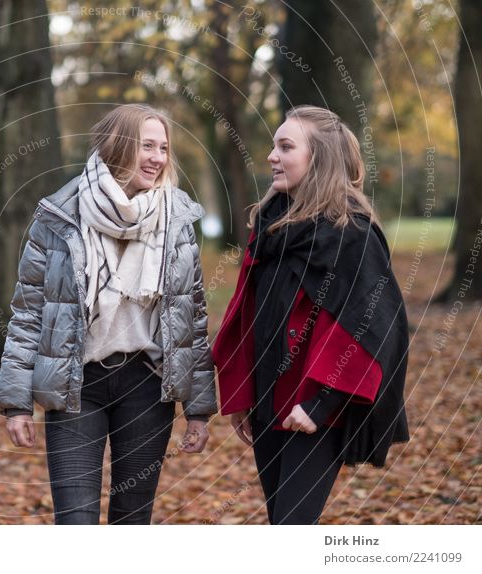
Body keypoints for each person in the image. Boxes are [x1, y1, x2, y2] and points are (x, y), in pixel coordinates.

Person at [0, 103, 216, 525]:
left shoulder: (177, 220)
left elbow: (192, 318)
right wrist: (16, 403)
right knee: (75, 521)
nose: (157, 158)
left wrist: (199, 409)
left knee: (131, 521)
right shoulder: (60, 216)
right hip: (78, 384)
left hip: (147, 386)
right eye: (146, 146)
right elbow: (29, 313)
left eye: (164, 148)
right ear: (118, 147)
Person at [212, 105, 409, 525]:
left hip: (315, 412)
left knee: (292, 528)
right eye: (273, 145)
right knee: (280, 523)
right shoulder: (271, 227)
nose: (271, 155)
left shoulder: (352, 234)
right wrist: (245, 395)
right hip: (269, 403)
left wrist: (321, 403)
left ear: (318, 159)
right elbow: (252, 315)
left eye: (286, 146)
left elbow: (374, 326)